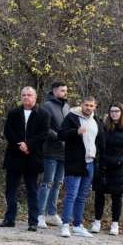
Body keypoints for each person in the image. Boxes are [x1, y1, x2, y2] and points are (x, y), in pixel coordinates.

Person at [0, 87, 50, 231]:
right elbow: (8, 132)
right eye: (24, 95)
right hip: (14, 156)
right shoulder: (13, 113)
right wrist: (19, 144)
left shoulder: (43, 114)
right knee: (11, 189)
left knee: (32, 190)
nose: (26, 97)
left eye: (29, 95)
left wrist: (29, 145)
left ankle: (33, 222)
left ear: (35, 97)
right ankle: (9, 219)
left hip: (32, 157)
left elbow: (43, 134)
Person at [91, 103, 123, 235]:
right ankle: (97, 222)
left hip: (117, 167)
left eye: (117, 111)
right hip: (102, 165)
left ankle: (115, 224)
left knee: (116, 197)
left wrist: (121, 160)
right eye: (112, 111)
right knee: (99, 195)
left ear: (121, 112)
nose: (114, 113)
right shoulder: (103, 127)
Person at [58, 97, 100, 238]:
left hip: (90, 162)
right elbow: (61, 134)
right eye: (86, 105)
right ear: (81, 105)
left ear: (95, 107)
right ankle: (65, 225)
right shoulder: (72, 117)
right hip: (75, 162)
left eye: (91, 106)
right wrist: (76, 132)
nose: (88, 108)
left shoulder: (95, 120)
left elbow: (100, 138)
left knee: (82, 196)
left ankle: (77, 225)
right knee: (72, 194)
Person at [37, 82, 71, 229]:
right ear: (54, 91)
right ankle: (39, 214)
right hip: (50, 151)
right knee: (47, 182)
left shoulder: (67, 107)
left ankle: (51, 213)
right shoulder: (47, 106)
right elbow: (45, 127)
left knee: (58, 183)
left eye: (66, 90)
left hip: (64, 152)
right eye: (62, 90)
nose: (65, 93)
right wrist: (59, 137)